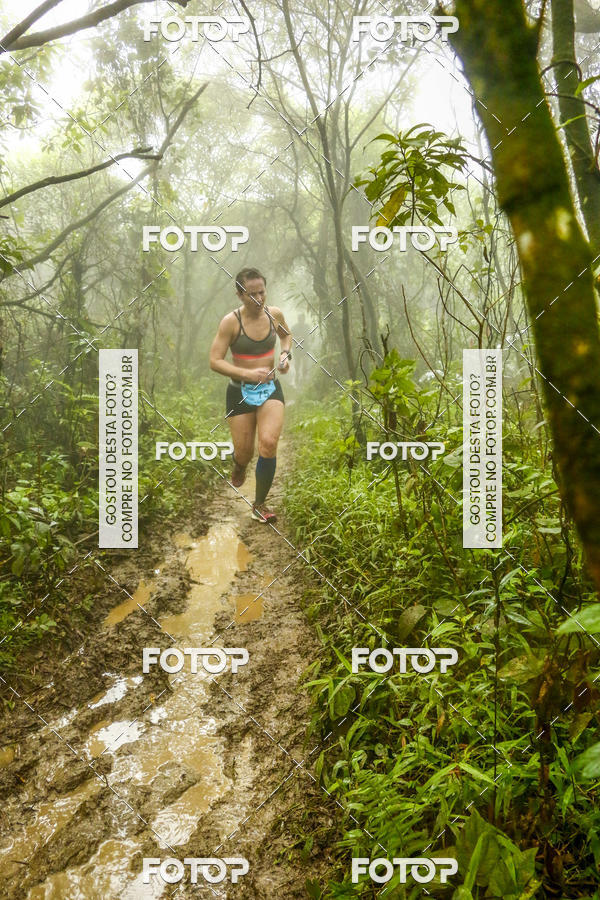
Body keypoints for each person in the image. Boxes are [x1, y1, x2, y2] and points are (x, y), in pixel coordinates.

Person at [209, 267, 292, 523]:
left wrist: (284, 354)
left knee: (268, 443)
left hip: (270, 389)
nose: (258, 299)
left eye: (262, 292)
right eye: (252, 294)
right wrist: (247, 375)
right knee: (244, 452)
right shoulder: (230, 322)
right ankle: (240, 465)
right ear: (240, 295)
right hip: (239, 392)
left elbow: (286, 336)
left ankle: (259, 505)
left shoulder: (274, 314)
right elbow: (214, 361)